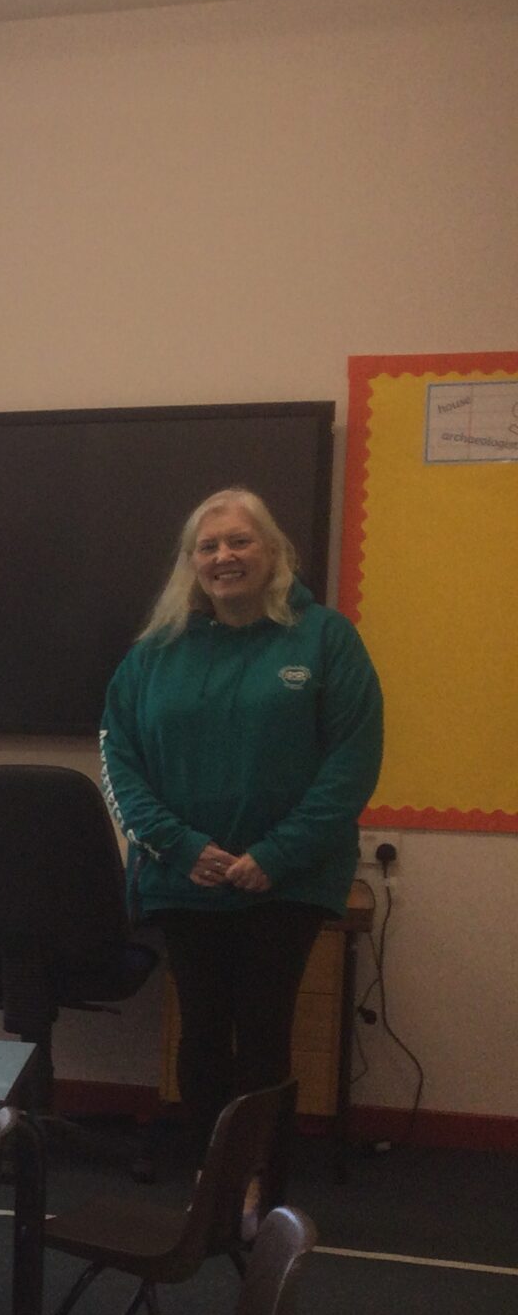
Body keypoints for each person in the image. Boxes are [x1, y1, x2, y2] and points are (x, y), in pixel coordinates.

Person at [100, 486, 383, 1189]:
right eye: (209, 546)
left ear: (274, 553)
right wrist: (184, 847)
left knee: (263, 1033)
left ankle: (261, 1184)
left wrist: (275, 857)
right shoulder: (153, 656)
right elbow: (117, 758)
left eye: (240, 541)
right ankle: (211, 1182)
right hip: (182, 877)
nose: (224, 556)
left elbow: (353, 762)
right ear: (191, 562)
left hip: (285, 882)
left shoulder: (324, 638)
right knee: (200, 1034)